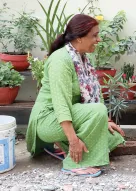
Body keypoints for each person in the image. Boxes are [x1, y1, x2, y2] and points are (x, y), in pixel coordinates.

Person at [26, 14, 125, 177]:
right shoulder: (61, 60)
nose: (98, 39)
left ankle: (65, 145)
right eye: (94, 35)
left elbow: (95, 91)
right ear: (79, 38)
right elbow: (61, 103)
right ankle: (73, 163)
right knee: (98, 112)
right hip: (48, 119)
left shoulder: (84, 58)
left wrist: (105, 121)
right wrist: (73, 141)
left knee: (113, 138)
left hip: (69, 114)